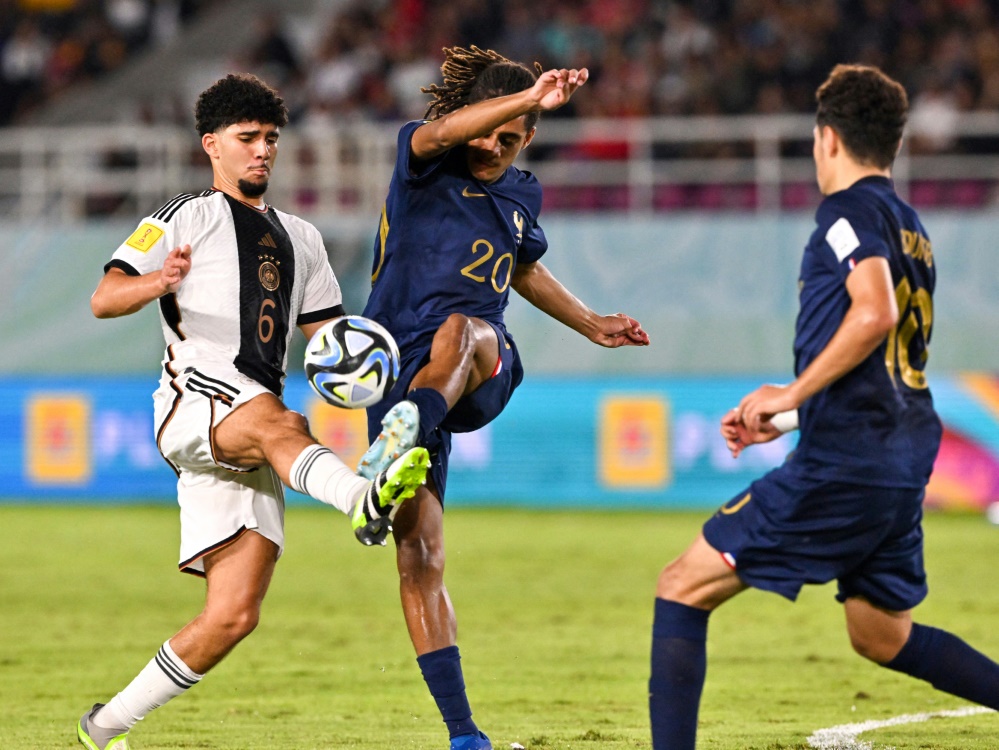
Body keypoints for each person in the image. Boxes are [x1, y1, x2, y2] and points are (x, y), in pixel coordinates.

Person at [648, 63, 999, 749]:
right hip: (897, 455)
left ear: (827, 139)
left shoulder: (845, 216)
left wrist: (791, 393)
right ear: (892, 144)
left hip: (847, 464)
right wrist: (782, 417)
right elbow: (883, 364)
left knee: (679, 586)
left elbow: (873, 315)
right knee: (880, 634)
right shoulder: (910, 228)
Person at [76, 73, 430, 750]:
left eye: (270, 138)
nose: (262, 150)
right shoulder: (180, 216)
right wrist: (160, 281)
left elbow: (329, 340)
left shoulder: (302, 238)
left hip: (251, 428)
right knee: (284, 422)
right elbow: (105, 296)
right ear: (212, 145)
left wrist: (373, 366)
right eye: (247, 139)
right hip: (196, 399)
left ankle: (105, 726)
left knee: (232, 616)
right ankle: (362, 501)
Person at [355, 46, 650, 750]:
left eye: (514, 136)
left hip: (481, 361)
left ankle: (391, 449)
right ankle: (464, 736)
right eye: (491, 129)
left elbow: (522, 269)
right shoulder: (421, 158)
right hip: (402, 370)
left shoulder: (522, 193)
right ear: (469, 119)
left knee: (462, 330)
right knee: (419, 560)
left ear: (530, 138)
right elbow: (445, 132)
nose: (496, 145)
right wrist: (523, 100)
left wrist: (591, 322)